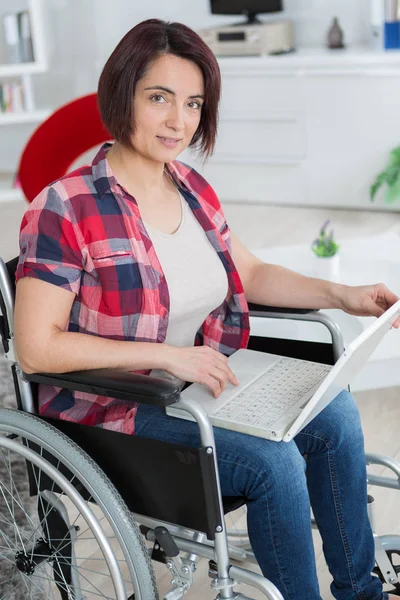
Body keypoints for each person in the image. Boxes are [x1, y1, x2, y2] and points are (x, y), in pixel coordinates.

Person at [14, 19, 399, 600]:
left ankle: (361, 589)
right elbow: (36, 346)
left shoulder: (190, 186)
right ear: (123, 95)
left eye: (193, 103)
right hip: (114, 410)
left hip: (194, 387)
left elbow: (248, 273)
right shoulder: (64, 208)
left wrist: (342, 295)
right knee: (273, 465)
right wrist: (170, 356)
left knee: (336, 416)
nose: (179, 121)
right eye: (159, 98)